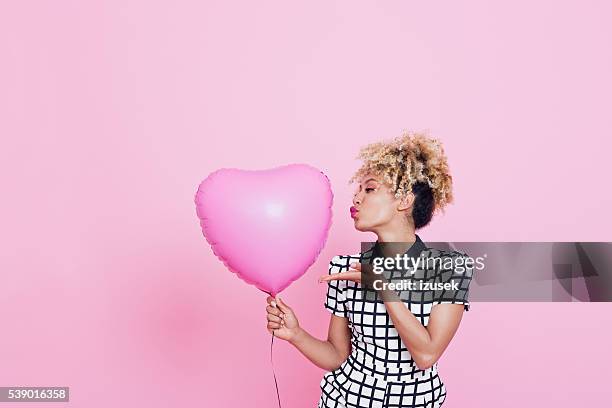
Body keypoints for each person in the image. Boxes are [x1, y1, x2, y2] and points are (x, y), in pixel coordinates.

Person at [265, 130, 473, 407]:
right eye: (358, 189)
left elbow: (426, 355)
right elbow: (338, 356)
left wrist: (383, 287)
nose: (356, 198)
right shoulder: (345, 268)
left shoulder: (449, 269)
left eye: (370, 188)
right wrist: (296, 334)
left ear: (404, 200)